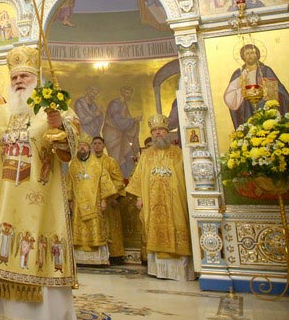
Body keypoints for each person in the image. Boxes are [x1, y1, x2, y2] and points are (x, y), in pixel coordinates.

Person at [0, 46, 79, 320]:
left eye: (24, 76)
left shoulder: (54, 109)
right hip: (2, 202)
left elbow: (70, 149)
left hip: (40, 204)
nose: (18, 81)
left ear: (36, 78)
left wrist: (59, 126)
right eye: (14, 77)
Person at [126, 114, 194, 281]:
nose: (157, 133)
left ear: (167, 132)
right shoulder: (146, 155)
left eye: (161, 130)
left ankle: (180, 271)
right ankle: (159, 270)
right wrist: (139, 197)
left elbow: (187, 176)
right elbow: (138, 177)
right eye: (154, 130)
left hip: (175, 201)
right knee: (154, 230)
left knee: (177, 225)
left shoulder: (178, 153)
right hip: (152, 202)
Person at [67, 134, 118, 266]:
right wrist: (70, 200)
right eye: (79, 146)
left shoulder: (97, 164)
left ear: (89, 148)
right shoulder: (73, 165)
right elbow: (69, 183)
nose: (82, 148)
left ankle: (97, 259)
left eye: (84, 145)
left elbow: (104, 183)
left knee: (95, 228)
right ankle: (79, 258)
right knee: (78, 229)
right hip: (77, 205)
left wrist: (104, 200)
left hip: (95, 203)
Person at [224, 43, 289, 128]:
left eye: (252, 53)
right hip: (247, 109)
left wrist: (267, 88)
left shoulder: (265, 70)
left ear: (257, 54)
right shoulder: (239, 73)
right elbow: (229, 96)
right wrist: (242, 92)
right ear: (242, 56)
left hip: (265, 109)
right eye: (247, 53)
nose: (249, 56)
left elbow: (282, 92)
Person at [91, 136, 126, 264]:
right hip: (94, 201)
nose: (97, 145)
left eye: (99, 143)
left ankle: (115, 255)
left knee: (112, 228)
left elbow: (118, 180)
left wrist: (114, 197)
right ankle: (98, 255)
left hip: (109, 200)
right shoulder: (89, 163)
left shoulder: (110, 162)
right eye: (95, 143)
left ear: (104, 146)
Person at [102, 86, 142, 177]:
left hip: (122, 135)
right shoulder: (115, 104)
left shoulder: (123, 104)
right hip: (113, 135)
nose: (129, 95)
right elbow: (118, 122)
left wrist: (133, 121)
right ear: (122, 93)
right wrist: (134, 120)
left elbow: (124, 123)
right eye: (127, 92)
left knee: (127, 155)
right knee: (117, 159)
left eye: (130, 93)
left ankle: (128, 178)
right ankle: (119, 179)